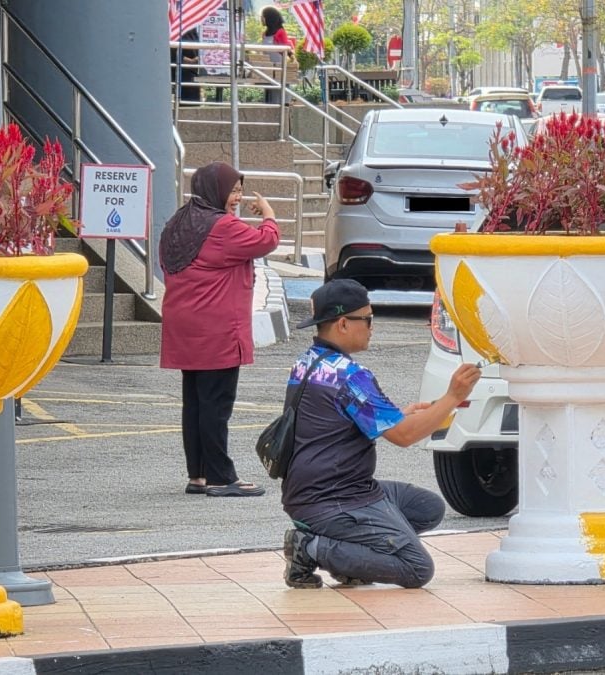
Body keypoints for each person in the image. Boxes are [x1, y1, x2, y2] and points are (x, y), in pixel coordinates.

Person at [281, 279, 481, 589]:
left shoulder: (308, 363)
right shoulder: (349, 376)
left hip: (318, 489)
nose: (372, 327)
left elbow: (352, 420)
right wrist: (453, 396)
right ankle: (310, 548)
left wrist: (404, 415)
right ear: (344, 324)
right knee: (416, 569)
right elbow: (403, 436)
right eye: (368, 319)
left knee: (427, 509)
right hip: (335, 498)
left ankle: (351, 558)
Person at [159, 162, 280, 497]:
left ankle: (198, 474)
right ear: (215, 191)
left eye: (240, 190)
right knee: (216, 404)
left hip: (184, 324)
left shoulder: (178, 222)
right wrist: (268, 214)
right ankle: (221, 477)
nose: (237, 197)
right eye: (234, 190)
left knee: (196, 402)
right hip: (216, 327)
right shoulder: (222, 226)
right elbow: (265, 241)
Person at [260, 6, 294, 105]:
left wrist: (292, 57)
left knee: (280, 94)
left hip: (279, 68)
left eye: (263, 17)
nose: (261, 19)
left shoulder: (280, 32)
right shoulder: (264, 34)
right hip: (268, 68)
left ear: (269, 18)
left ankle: (285, 105)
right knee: (270, 94)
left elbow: (285, 47)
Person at [170, 27, 200, 104]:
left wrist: (197, 57)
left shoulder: (192, 28)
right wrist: (185, 59)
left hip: (191, 70)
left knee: (191, 96)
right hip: (177, 67)